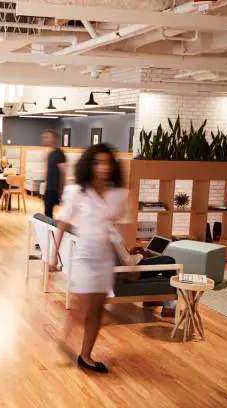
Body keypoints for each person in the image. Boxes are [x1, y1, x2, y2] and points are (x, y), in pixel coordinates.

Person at [50, 143, 128, 374]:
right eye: (98, 162)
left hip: (105, 257)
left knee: (98, 310)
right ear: (89, 165)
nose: (103, 167)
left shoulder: (117, 195)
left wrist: (127, 258)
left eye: (107, 162)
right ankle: (66, 339)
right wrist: (54, 255)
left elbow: (118, 227)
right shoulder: (77, 192)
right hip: (84, 256)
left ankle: (86, 355)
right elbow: (63, 222)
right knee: (82, 309)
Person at [43, 129, 66, 218]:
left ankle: (51, 231)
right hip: (49, 189)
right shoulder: (50, 152)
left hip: (54, 190)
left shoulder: (59, 153)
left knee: (48, 215)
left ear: (53, 138)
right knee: (47, 213)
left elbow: (63, 172)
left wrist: (62, 190)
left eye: (46, 137)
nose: (44, 139)